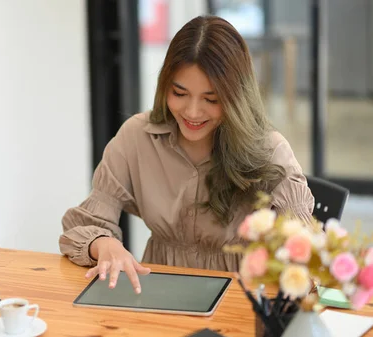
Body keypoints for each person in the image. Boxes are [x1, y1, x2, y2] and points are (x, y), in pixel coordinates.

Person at [59, 16, 314, 294]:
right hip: (158, 295)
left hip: (241, 300)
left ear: (236, 97)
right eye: (179, 93)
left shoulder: (269, 149)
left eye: (211, 99)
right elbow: (84, 224)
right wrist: (104, 245)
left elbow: (309, 250)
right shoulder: (137, 137)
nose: (192, 112)